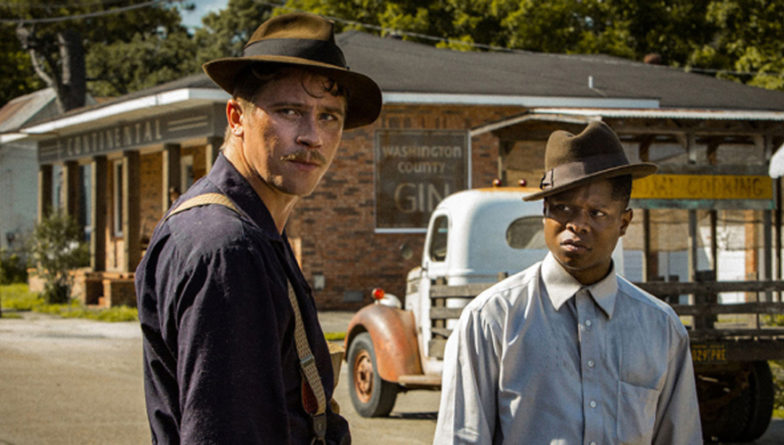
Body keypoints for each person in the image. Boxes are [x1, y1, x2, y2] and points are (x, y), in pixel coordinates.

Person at [135, 12, 381, 444]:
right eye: (290, 111)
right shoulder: (227, 246)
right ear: (236, 117)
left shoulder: (252, 228)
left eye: (329, 117)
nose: (312, 137)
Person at [434, 121, 702, 444]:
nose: (577, 224)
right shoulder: (491, 321)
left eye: (597, 213)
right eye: (563, 208)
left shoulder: (661, 329)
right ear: (544, 212)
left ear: (624, 222)